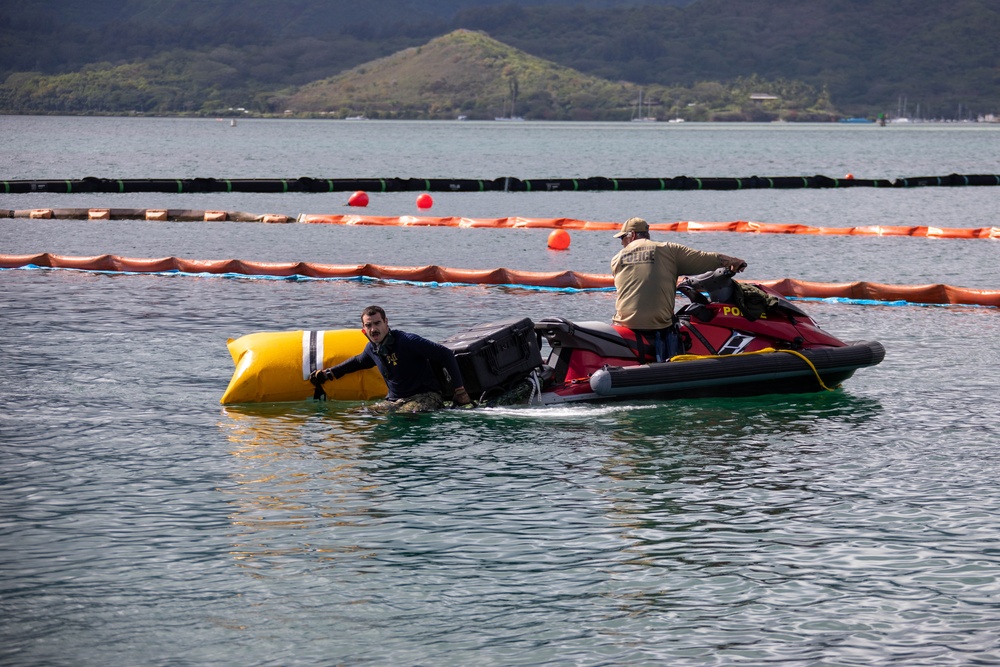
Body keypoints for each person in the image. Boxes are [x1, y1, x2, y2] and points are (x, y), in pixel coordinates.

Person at [611, 217, 747, 362]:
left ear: (631, 235)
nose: (621, 242)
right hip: (657, 325)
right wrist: (733, 261)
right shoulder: (668, 250)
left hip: (623, 324)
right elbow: (704, 258)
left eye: (622, 237)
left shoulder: (616, 259)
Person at [310, 305, 473, 413]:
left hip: (426, 396)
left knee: (403, 416)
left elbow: (445, 354)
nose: (373, 329)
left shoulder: (407, 341)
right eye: (368, 325)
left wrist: (459, 390)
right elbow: (358, 362)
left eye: (377, 323)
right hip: (395, 401)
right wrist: (328, 374)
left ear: (386, 322)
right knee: (358, 413)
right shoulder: (372, 349)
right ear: (363, 329)